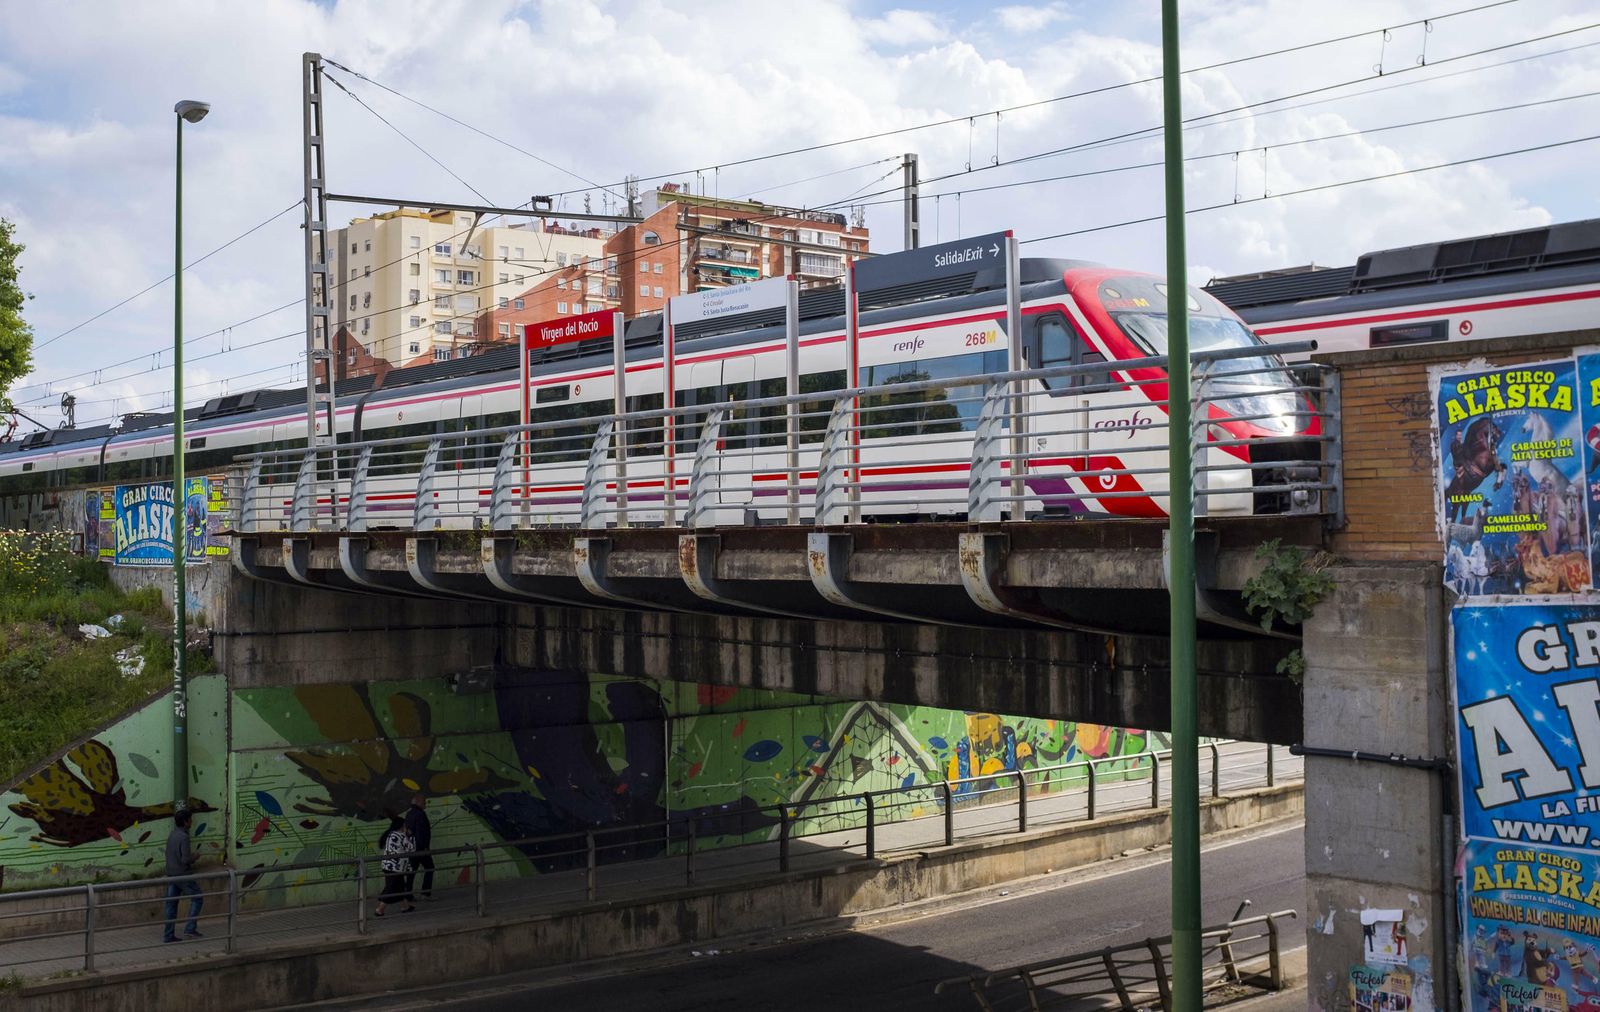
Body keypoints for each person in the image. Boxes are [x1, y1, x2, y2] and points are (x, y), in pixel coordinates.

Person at [162, 810, 203, 942]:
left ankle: (168, 935)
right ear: (185, 821)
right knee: (198, 898)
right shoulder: (184, 837)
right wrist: (195, 857)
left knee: (171, 904)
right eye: (190, 819)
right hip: (182, 874)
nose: (192, 822)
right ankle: (190, 928)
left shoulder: (172, 834)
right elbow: (185, 859)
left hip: (171, 874)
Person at [374, 813, 415, 917]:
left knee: (399, 886)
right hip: (396, 867)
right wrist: (409, 835)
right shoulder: (400, 835)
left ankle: (405, 906)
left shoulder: (390, 834)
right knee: (391, 888)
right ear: (402, 826)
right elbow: (411, 848)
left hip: (388, 866)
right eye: (405, 825)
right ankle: (380, 909)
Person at [404, 794, 434, 901]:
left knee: (412, 871)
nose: (425, 804)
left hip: (411, 848)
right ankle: (425, 893)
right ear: (418, 802)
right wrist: (425, 847)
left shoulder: (409, 814)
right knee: (430, 868)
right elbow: (422, 833)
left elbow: (408, 831)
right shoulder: (420, 814)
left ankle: (408, 894)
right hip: (420, 848)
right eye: (424, 802)